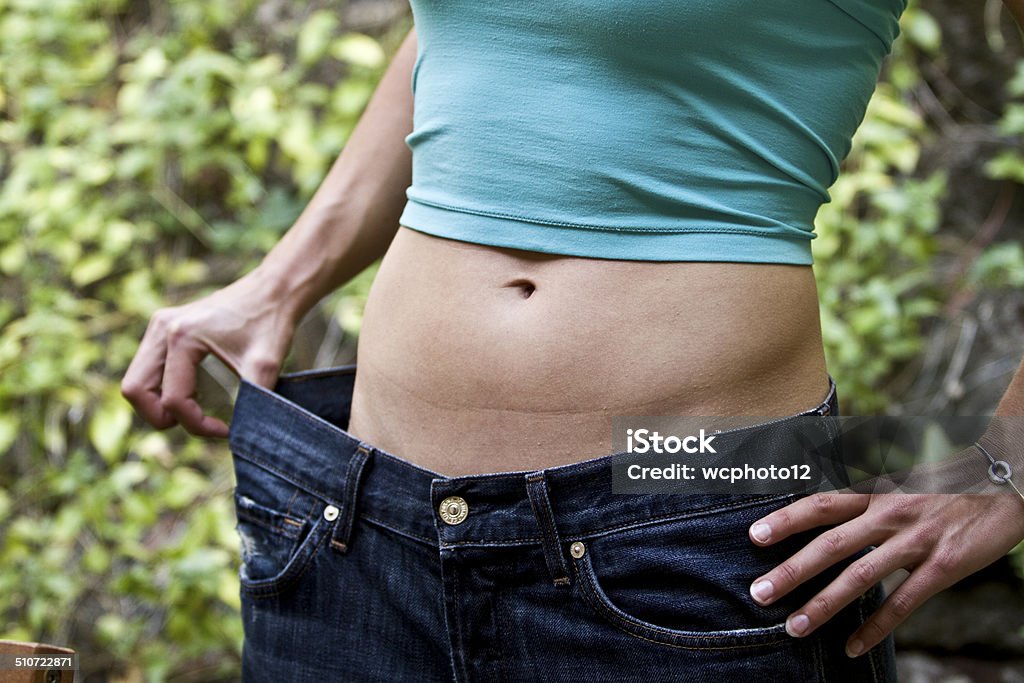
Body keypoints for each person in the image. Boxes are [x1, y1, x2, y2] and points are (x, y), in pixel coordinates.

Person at [122, 1, 1024, 680]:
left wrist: (1007, 466)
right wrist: (281, 281)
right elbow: (463, 38)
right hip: (355, 520)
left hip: (682, 513)